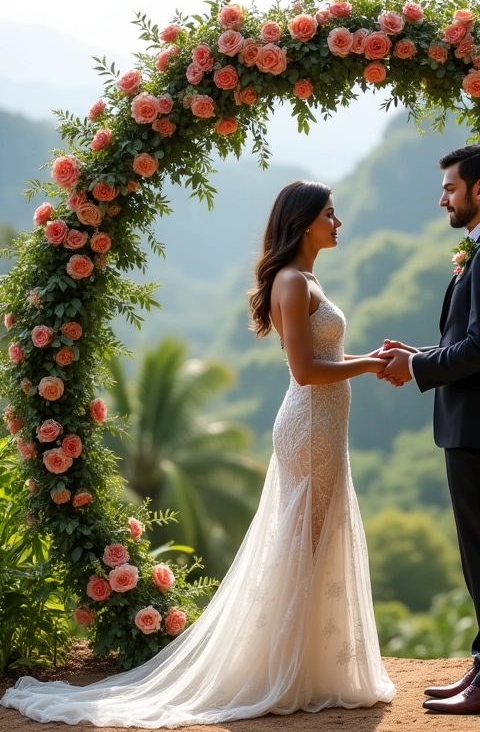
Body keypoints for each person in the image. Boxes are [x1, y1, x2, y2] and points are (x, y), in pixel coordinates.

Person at [1, 180, 396, 727]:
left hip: (324, 426)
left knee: (314, 538)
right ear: (305, 220)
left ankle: (305, 666)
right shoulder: (290, 280)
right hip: (309, 426)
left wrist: (370, 356)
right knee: (304, 540)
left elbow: (324, 353)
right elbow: (305, 371)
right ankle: (280, 670)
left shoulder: (306, 279)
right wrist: (372, 367)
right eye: (331, 213)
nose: (339, 221)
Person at [379, 145, 480, 715]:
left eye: (449, 187)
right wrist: (416, 353)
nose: (442, 197)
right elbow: (464, 344)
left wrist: (416, 367)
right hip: (471, 419)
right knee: (477, 549)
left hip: (478, 421)